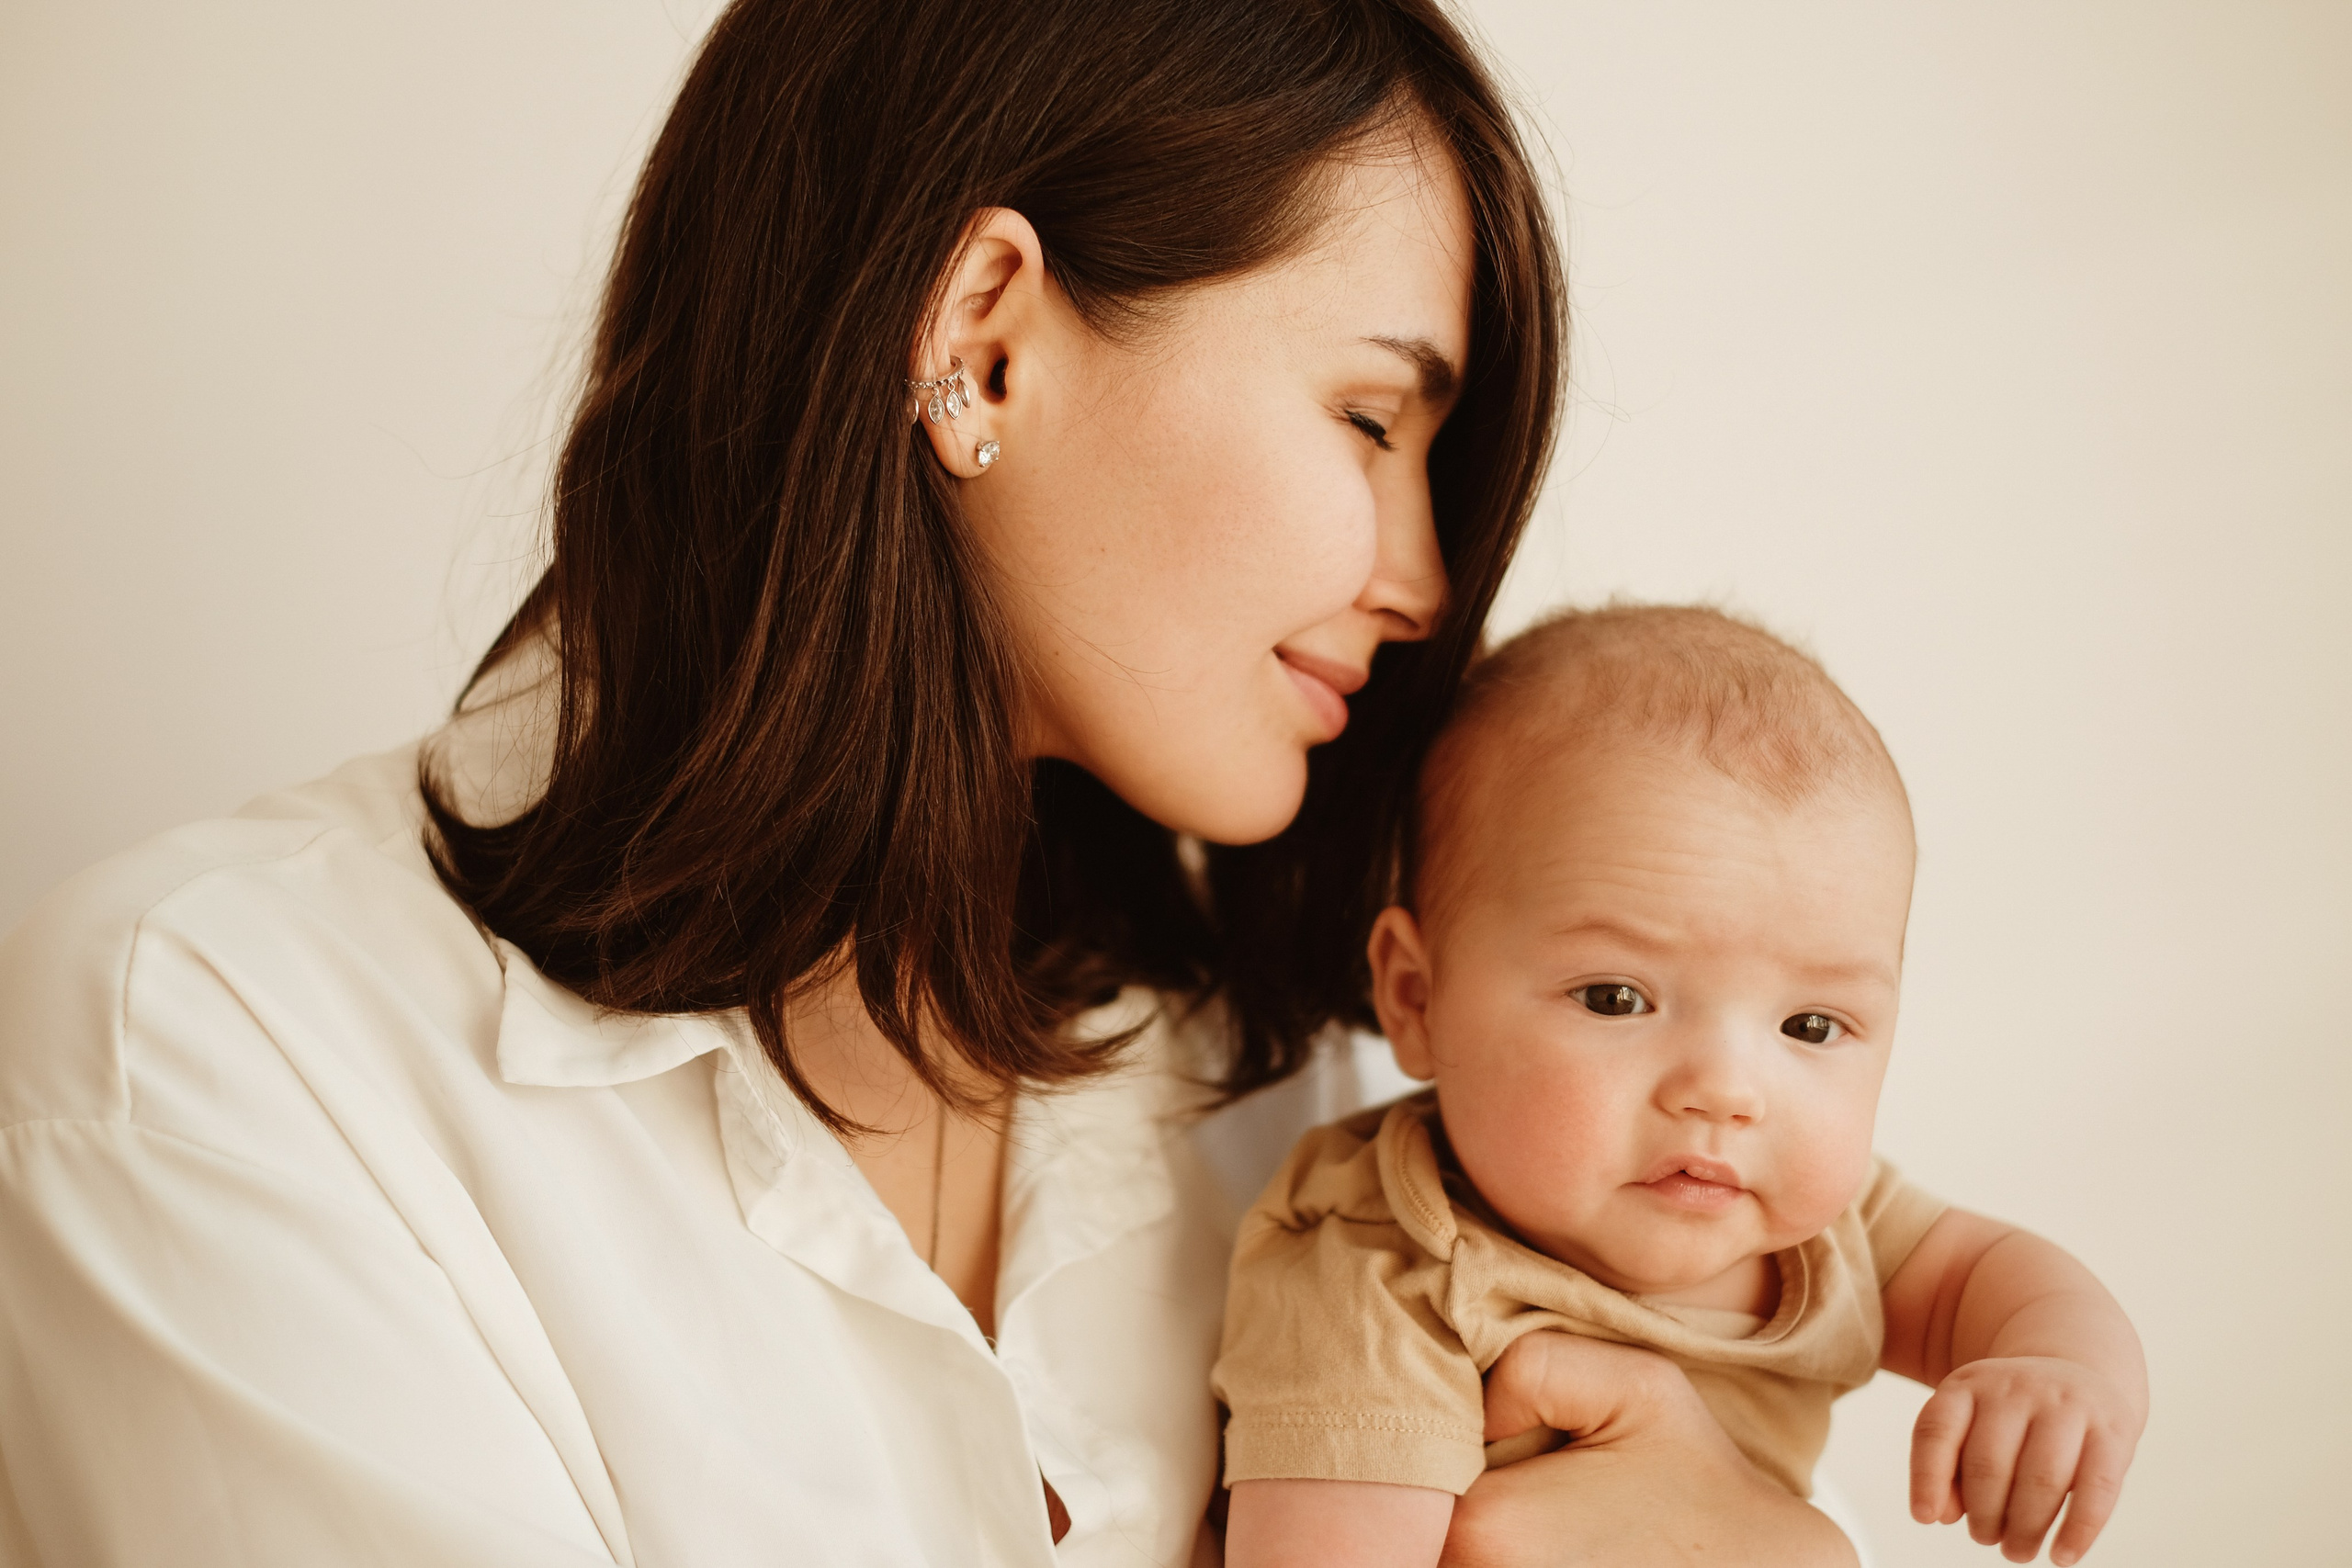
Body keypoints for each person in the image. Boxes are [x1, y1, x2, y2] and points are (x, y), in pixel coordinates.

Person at [0, 3, 1859, 1564]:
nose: (1423, 579)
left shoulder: (1288, 1085)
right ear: (980, 334)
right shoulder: (207, 1058)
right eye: (1368, 420)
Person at [1213, 606, 2150, 1568]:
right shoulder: (1388, 1277)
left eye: (1809, 1027)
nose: (1726, 1092)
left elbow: (1984, 1283)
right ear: (1416, 998)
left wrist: (2062, 1368)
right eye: (1617, 998)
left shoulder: (1827, 1233)